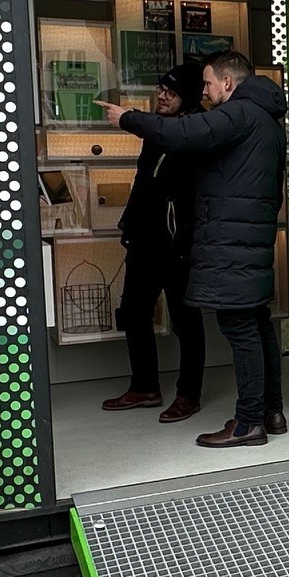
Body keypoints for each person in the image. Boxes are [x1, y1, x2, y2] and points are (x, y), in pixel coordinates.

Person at [97, 50, 288, 448]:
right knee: (256, 324)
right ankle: (271, 410)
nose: (205, 90)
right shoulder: (263, 118)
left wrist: (127, 118)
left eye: (207, 83)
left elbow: (183, 134)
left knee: (241, 328)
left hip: (233, 241)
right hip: (247, 238)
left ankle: (249, 421)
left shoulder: (240, 113)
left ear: (227, 83)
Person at [101, 62, 207, 421]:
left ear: (189, 96)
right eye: (161, 88)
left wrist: (187, 242)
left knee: (185, 323)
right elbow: (144, 183)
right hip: (145, 243)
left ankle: (188, 396)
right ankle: (144, 387)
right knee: (133, 314)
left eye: (171, 91)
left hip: (180, 248)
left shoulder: (198, 132)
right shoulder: (157, 131)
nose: (162, 95)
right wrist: (130, 226)